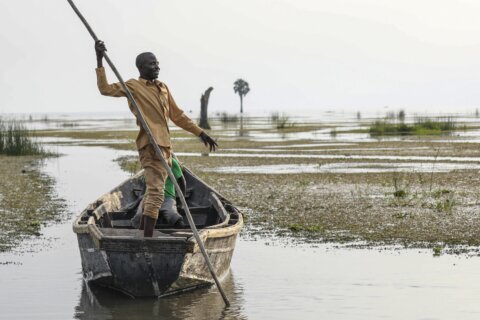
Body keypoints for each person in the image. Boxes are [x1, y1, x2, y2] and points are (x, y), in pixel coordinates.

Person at [94, 40, 218, 237]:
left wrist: (201, 133)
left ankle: (144, 234)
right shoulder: (133, 86)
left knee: (156, 192)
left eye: (158, 63)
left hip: (165, 147)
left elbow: (178, 116)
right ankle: (147, 238)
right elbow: (105, 89)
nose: (157, 66)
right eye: (152, 64)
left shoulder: (162, 88)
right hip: (150, 146)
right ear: (141, 67)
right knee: (156, 193)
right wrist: (100, 59)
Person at [131, 157, 186, 229]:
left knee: (173, 215)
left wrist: (181, 203)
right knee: (139, 216)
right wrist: (142, 197)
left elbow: (182, 182)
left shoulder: (171, 161)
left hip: (167, 197)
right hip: (149, 196)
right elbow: (146, 182)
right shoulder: (149, 161)